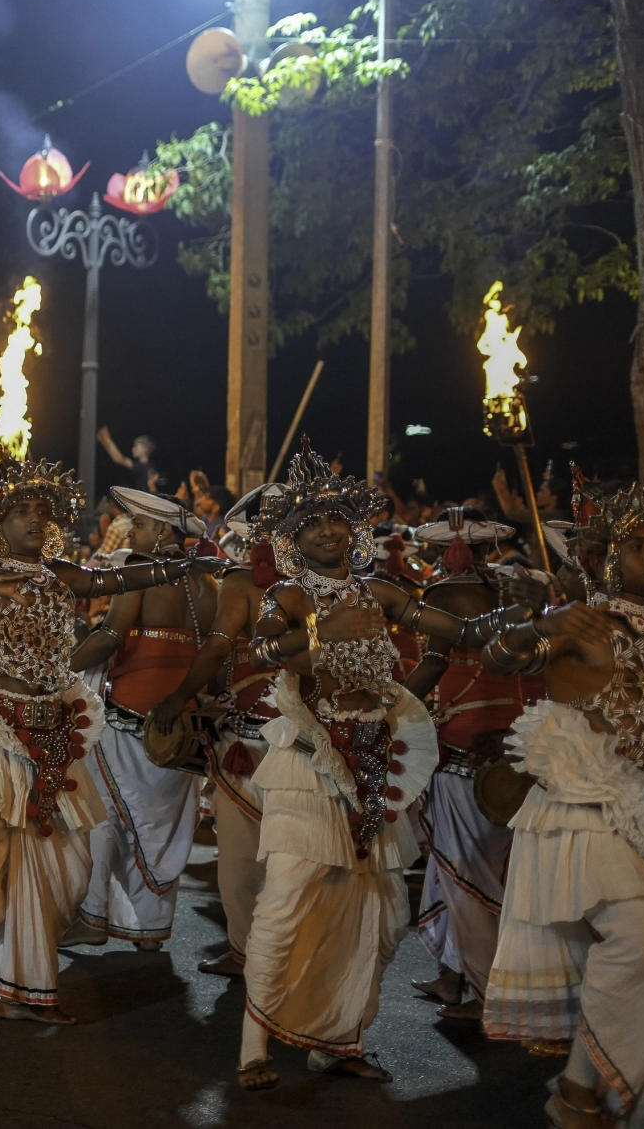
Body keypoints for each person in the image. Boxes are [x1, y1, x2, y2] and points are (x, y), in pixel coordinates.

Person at [235, 445, 517, 1091]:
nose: (328, 530)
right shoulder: (287, 593)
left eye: (337, 519)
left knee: (379, 917)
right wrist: (321, 632)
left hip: (378, 757)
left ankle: (339, 1038)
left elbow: (462, 632)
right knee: (285, 904)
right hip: (310, 759)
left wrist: (518, 616)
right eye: (312, 523)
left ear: (355, 527)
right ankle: (253, 1045)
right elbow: (258, 652)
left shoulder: (384, 590)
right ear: (293, 537)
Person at [0, 459, 210, 1021]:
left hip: (54, 731)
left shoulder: (62, 574)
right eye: (19, 512)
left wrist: (171, 569)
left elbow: (115, 581)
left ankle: (24, 991)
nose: (34, 520)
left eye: (41, 512)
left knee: (65, 867)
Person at [480, 484, 644, 1128]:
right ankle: (579, 1091)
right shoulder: (585, 624)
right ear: (607, 555)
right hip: (584, 812)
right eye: (636, 546)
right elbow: (500, 658)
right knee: (637, 942)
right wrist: (542, 624)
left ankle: (594, 1092)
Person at [401, 515, 548, 1020]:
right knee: (472, 869)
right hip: (513, 745)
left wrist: (391, 709)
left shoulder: (441, 594)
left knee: (466, 873)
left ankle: (491, 997)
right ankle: (451, 976)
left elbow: (435, 663)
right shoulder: (520, 591)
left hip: (463, 749)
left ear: (449, 552)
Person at [65, 487, 217, 952]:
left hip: (132, 718)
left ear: (164, 530)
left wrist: (59, 667)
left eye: (142, 525)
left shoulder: (139, 571)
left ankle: (93, 921)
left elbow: (110, 637)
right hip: (183, 725)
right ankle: (148, 932)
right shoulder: (209, 587)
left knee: (104, 817)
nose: (134, 533)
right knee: (159, 826)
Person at [147, 484, 280, 978]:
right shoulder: (332, 582)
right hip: (313, 740)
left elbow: (218, 649)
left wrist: (177, 698)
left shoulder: (244, 584)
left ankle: (250, 955)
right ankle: (287, 951)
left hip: (252, 740)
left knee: (244, 857)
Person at [96, 426, 160, 493]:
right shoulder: (145, 466)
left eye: (136, 446)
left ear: (145, 449)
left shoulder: (144, 468)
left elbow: (120, 460)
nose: (133, 449)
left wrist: (107, 439)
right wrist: (104, 442)